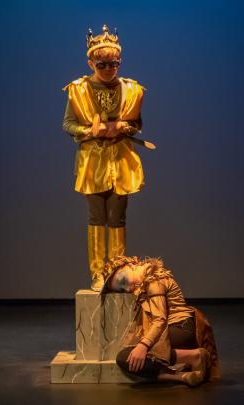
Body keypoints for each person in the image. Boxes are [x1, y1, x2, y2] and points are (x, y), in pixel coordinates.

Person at [62, 25, 145, 291]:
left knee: (118, 217)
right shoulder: (78, 90)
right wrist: (89, 131)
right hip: (93, 162)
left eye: (114, 64)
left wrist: (124, 128)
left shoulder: (131, 90)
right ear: (91, 63)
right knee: (96, 217)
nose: (109, 69)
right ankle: (98, 273)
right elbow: (68, 124)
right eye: (102, 64)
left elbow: (137, 122)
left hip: (121, 161)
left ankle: (117, 271)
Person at [101, 256, 221, 386]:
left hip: (180, 328)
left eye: (123, 280)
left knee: (130, 355)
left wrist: (143, 345)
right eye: (121, 289)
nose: (127, 289)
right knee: (125, 358)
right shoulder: (143, 284)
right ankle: (182, 376)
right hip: (170, 329)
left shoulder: (154, 279)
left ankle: (194, 356)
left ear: (131, 265)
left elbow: (160, 319)